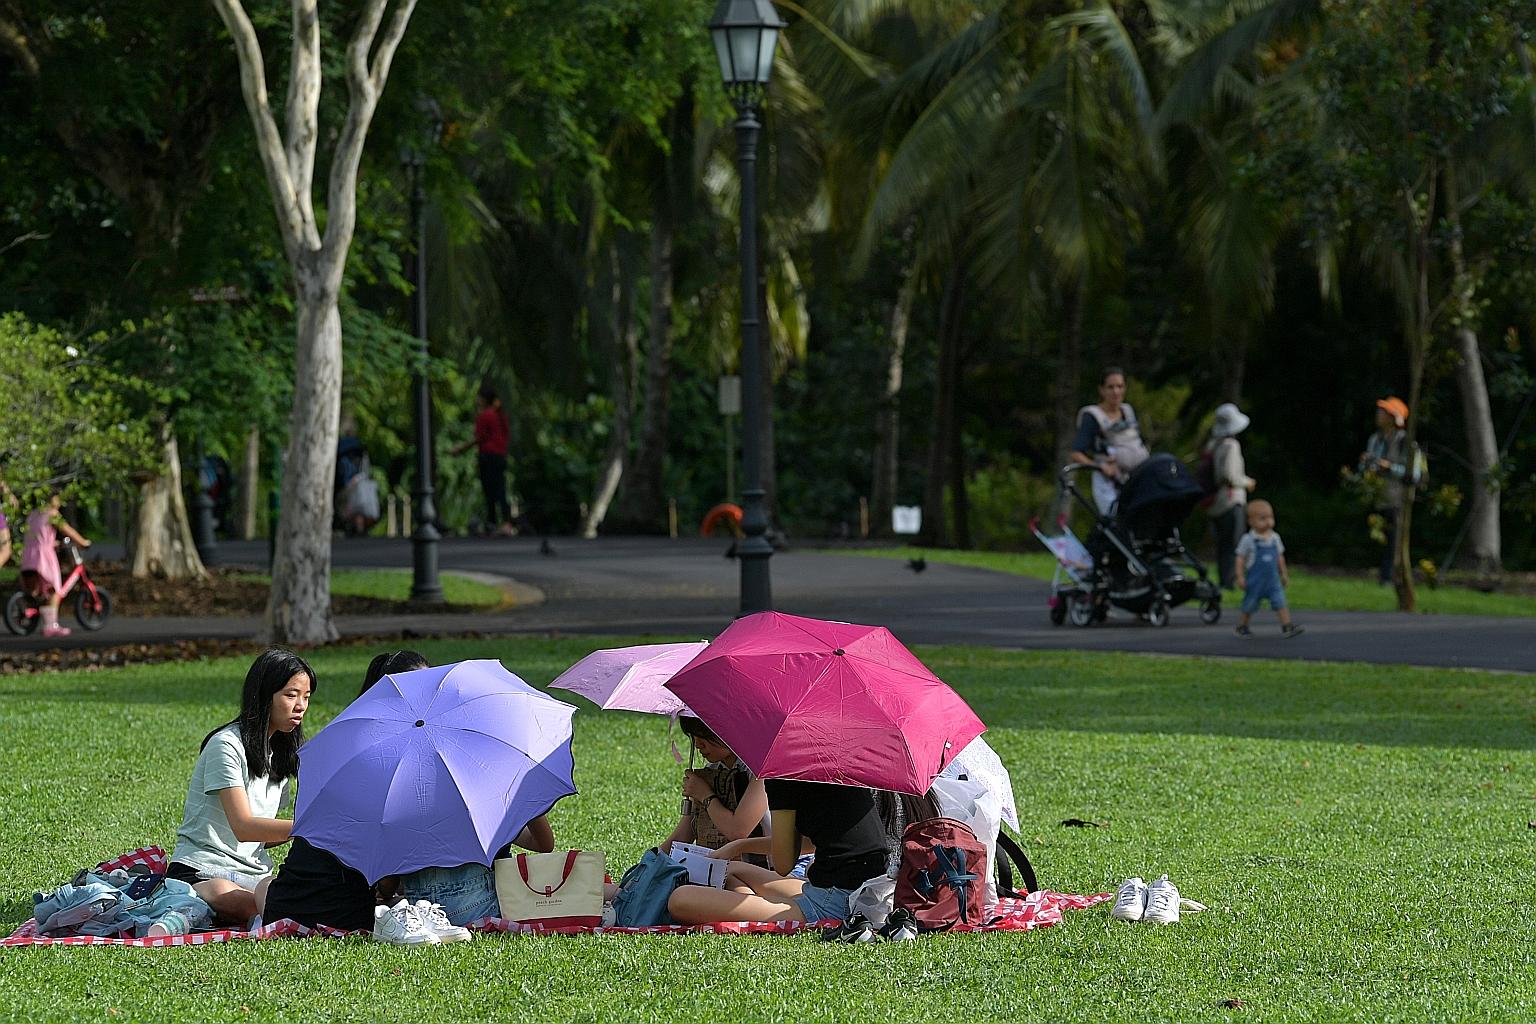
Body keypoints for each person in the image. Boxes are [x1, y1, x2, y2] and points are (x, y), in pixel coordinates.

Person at [260, 650, 432, 932]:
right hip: (340, 910)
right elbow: (387, 870)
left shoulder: (341, 740)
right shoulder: (394, 756)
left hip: (288, 898)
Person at [166, 648, 314, 924]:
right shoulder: (226, 745)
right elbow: (244, 827)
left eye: (306, 697)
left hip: (254, 874)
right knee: (240, 900)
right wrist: (310, 825)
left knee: (276, 895)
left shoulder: (281, 753)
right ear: (264, 695)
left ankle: (273, 913)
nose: (301, 706)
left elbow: (263, 832)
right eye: (291, 695)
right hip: (203, 868)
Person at [665, 778, 887, 926]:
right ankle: (751, 903)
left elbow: (783, 865)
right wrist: (738, 846)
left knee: (680, 899)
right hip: (872, 890)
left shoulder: (782, 779)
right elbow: (810, 843)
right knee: (732, 869)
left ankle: (753, 906)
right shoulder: (832, 766)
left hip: (834, 903)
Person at [661, 716, 770, 860]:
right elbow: (684, 834)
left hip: (768, 867)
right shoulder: (712, 771)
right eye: (693, 735)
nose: (698, 744)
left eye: (704, 734)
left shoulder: (761, 772)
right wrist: (648, 864)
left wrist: (705, 795)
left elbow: (738, 831)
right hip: (721, 865)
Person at [1070, 367, 1150, 515]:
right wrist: (1100, 466)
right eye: (1111, 387)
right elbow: (1076, 453)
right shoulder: (1093, 416)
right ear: (1102, 390)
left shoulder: (1128, 412)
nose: (1116, 392)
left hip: (1136, 478)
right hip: (1110, 483)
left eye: (1120, 386)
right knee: (1118, 520)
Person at [1357, 396, 1414, 585]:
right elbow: (1365, 469)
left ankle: (1390, 577)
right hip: (1379, 497)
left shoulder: (1405, 442)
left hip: (1397, 499)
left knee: (1394, 541)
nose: (1378, 415)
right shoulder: (1375, 439)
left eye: (1383, 412)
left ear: (1392, 417)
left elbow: (1412, 474)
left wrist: (1389, 467)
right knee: (1381, 539)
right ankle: (1384, 575)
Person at [19, 492, 91, 638]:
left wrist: (53, 542)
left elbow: (38, 535)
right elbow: (68, 530)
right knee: (54, 589)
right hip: (43, 557)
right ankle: (51, 625)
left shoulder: (33, 514)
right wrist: (83, 542)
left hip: (28, 556)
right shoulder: (52, 514)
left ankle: (33, 611)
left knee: (36, 589)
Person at [1202, 402, 1257, 590]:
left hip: (1215, 503)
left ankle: (1225, 580)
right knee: (1235, 544)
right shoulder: (1231, 445)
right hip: (1231, 500)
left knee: (1223, 545)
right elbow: (1229, 476)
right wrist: (1247, 482)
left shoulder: (1213, 444)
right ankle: (1232, 581)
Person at [1234, 499, 1302, 639]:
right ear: (1251, 521)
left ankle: (1287, 625)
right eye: (1262, 519)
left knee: (1280, 602)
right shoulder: (1248, 539)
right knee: (1250, 604)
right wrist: (1240, 576)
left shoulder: (1275, 538)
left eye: (1270, 517)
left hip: (1272, 580)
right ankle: (1242, 626)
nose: (1268, 522)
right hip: (1255, 581)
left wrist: (1283, 573)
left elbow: (1279, 557)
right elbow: (1240, 558)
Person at [452, 384, 513, 537]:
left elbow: (480, 438)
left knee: (490, 490)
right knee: (500, 489)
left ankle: (494, 522)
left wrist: (461, 449)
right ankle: (504, 522)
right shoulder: (500, 415)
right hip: (500, 455)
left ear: (484, 399)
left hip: (489, 455)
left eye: (479, 397)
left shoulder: (485, 416)